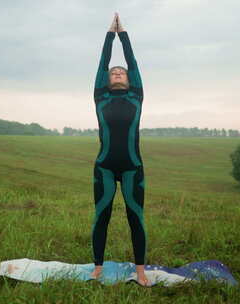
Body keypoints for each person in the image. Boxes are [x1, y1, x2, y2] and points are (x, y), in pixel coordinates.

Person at [90, 12, 150, 287]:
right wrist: (107, 35)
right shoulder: (100, 95)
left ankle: (140, 273)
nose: (117, 72)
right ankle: (98, 269)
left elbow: (133, 63)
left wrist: (122, 35)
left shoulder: (136, 95)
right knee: (101, 216)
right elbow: (102, 63)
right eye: (114, 72)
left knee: (135, 218)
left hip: (132, 167)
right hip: (103, 166)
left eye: (121, 72)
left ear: (128, 80)